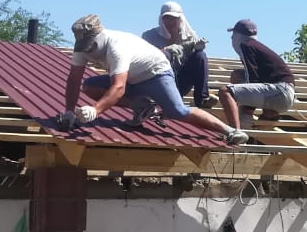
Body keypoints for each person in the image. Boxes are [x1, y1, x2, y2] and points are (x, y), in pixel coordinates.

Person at [56, 14, 249, 145]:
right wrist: (69, 111)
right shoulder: (82, 48)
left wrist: (95, 110)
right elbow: (74, 80)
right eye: (85, 46)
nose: (88, 50)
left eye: (91, 45)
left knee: (177, 111)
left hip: (156, 73)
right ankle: (142, 106)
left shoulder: (116, 46)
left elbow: (118, 88)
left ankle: (230, 130)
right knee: (89, 87)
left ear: (99, 36)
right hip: (132, 78)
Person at [218, 19, 297, 132]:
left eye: (233, 35)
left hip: (279, 92)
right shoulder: (257, 46)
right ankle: (269, 115)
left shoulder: (246, 45)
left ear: (238, 35)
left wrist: (247, 111)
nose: (231, 38)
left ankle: (236, 133)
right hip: (285, 94)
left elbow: (252, 78)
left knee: (225, 91)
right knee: (237, 75)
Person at [140, 0, 210, 107]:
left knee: (200, 55)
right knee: (165, 55)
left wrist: (196, 48)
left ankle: (202, 99)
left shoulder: (189, 37)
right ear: (161, 19)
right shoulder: (149, 36)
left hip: (180, 81)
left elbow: (196, 63)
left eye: (173, 18)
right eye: (167, 18)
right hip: (158, 82)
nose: (170, 22)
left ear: (180, 19)